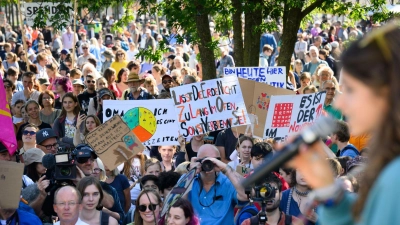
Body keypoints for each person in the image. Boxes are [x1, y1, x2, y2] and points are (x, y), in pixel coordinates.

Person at [188, 144, 248, 224]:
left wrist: (226, 169)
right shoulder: (189, 181)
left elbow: (246, 195)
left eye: (214, 160)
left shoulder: (228, 182)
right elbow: (174, 203)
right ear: (198, 161)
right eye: (206, 160)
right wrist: (190, 174)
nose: (210, 164)